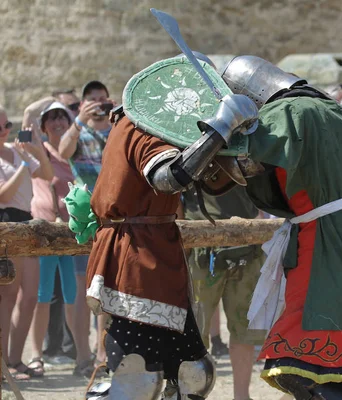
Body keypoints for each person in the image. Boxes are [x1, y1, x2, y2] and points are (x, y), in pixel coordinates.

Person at [220, 55, 342, 399]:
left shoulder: (285, 113)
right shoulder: (334, 109)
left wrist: (218, 133)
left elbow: (241, 165)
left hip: (331, 242)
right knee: (331, 365)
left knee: (300, 364)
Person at [83, 53, 258, 399]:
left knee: (192, 373)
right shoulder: (142, 129)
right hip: (134, 254)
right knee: (137, 375)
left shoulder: (151, 126)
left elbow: (214, 178)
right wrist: (220, 127)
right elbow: (167, 178)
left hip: (157, 247)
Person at [27, 101, 94, 376]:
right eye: (51, 119)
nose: (57, 123)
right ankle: (35, 356)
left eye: (62, 118)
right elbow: (24, 121)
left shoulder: (75, 151)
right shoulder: (33, 147)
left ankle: (82, 356)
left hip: (73, 232)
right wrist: (50, 99)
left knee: (74, 296)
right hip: (42, 231)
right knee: (41, 296)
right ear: (43, 126)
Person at [183, 185, 267, 400]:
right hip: (201, 243)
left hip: (247, 242)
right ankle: (190, 394)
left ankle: (241, 397)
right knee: (193, 333)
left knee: (243, 330)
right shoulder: (186, 149)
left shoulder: (247, 151)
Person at [58, 80, 114, 371]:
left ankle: (102, 354)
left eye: (102, 100)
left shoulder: (118, 130)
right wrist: (79, 120)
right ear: (82, 104)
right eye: (92, 100)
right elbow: (63, 150)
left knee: (106, 290)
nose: (98, 105)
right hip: (85, 221)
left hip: (113, 220)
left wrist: (117, 116)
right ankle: (82, 355)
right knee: (82, 291)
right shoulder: (79, 131)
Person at [0, 105, 53, 380]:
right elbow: (4, 196)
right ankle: (4, 366)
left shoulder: (16, 149)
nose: (5, 132)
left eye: (7, 126)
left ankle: (15, 360)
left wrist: (37, 151)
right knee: (7, 298)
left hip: (26, 223)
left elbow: (46, 174)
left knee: (30, 296)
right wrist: (22, 164)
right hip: (5, 224)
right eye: (0, 128)